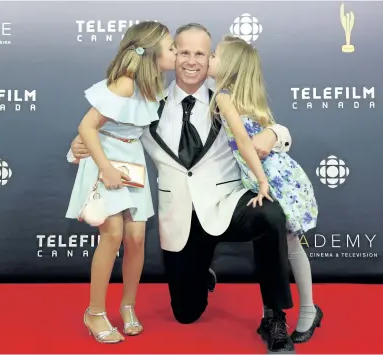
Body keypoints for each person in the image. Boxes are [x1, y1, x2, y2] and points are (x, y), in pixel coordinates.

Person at [70, 23, 295, 353]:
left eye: (200, 54)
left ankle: (274, 316)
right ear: (171, 56)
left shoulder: (225, 96)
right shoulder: (148, 102)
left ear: (211, 58)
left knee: (271, 215)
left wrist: (273, 136)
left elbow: (276, 126)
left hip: (227, 204)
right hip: (180, 218)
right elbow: (105, 129)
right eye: (184, 52)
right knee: (186, 313)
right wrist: (76, 147)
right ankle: (201, 271)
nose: (191, 61)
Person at [65, 21, 176, 344]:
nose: (175, 53)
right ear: (151, 51)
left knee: (137, 238)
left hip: (133, 163)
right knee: (112, 235)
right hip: (105, 161)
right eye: (170, 47)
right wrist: (105, 168)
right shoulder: (124, 84)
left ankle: (128, 307)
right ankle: (95, 312)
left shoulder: (152, 86)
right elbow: (87, 127)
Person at [208, 35, 323, 344]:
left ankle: (308, 311)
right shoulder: (242, 100)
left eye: (214, 55)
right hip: (273, 177)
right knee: (285, 245)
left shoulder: (224, 97)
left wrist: (261, 181)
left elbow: (247, 142)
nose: (208, 59)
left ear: (229, 66)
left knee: (290, 244)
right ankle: (284, 314)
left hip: (273, 178)